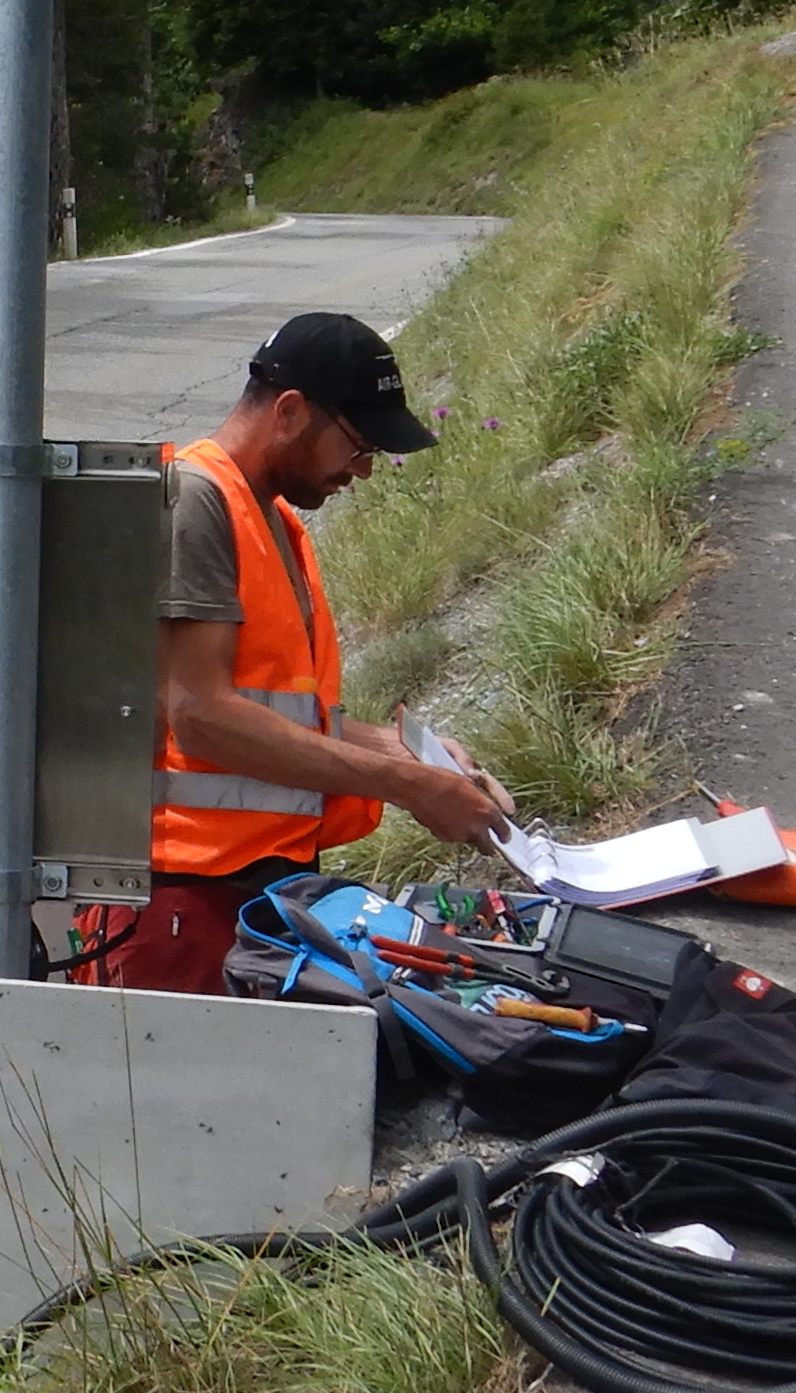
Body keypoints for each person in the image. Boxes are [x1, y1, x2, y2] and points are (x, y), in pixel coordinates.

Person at [119, 310, 514, 991]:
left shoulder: (270, 518)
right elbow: (202, 714)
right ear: (292, 411)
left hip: (253, 884)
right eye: (358, 446)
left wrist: (408, 750)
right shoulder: (195, 502)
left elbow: (271, 710)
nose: (362, 471)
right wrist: (409, 785)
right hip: (185, 899)